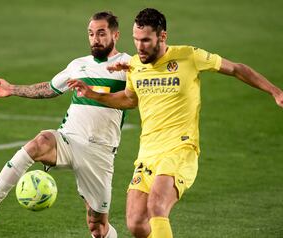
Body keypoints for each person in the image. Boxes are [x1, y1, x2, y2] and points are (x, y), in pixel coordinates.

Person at [67, 8, 283, 238]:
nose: (139, 47)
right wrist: (92, 94)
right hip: (148, 153)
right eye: (136, 40)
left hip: (181, 149)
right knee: (136, 222)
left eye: (146, 40)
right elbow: (129, 99)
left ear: (162, 37)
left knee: (157, 206)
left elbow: (236, 69)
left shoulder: (189, 56)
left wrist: (274, 91)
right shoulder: (135, 66)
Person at [0, 11, 131, 238]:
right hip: (69, 139)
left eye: (101, 33)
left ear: (115, 35)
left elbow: (135, 98)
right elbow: (49, 88)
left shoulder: (127, 65)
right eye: (91, 34)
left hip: (100, 152)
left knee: (97, 227)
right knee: (40, 142)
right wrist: (12, 89)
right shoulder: (78, 65)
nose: (95, 39)